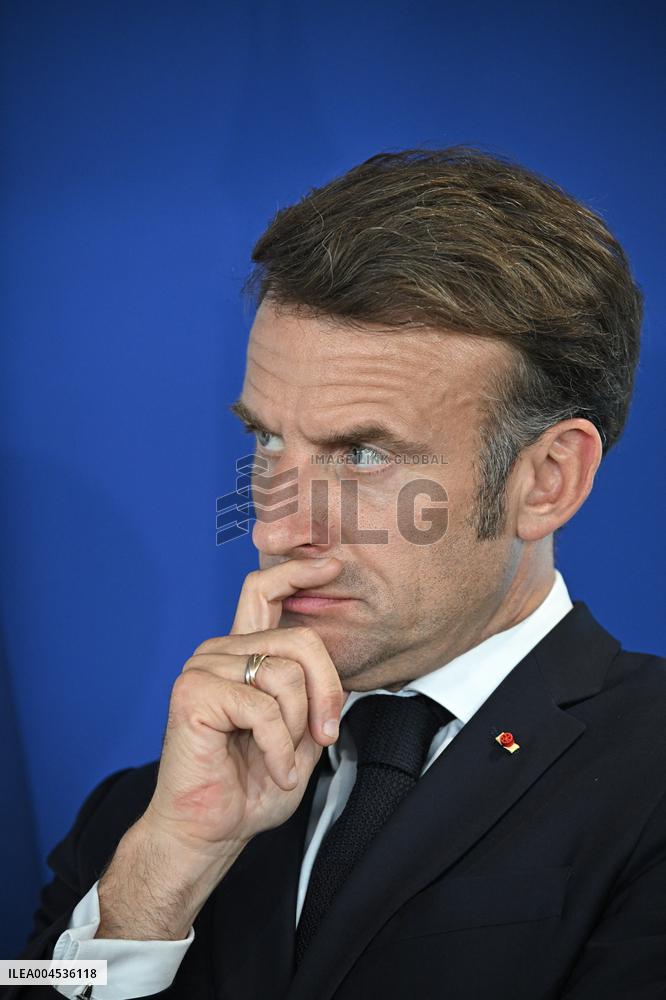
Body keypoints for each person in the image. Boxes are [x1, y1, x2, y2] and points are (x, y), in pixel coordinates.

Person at [7, 146, 665, 1000]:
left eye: (361, 454)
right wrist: (160, 878)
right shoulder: (142, 815)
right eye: (267, 440)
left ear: (547, 480)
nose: (276, 527)